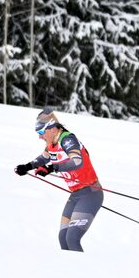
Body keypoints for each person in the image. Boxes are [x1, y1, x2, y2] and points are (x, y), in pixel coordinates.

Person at [14, 107, 103, 252]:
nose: (40, 137)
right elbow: (43, 158)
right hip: (75, 195)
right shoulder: (51, 144)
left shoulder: (67, 140)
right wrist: (27, 166)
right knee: (63, 239)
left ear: (53, 128)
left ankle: (83, 273)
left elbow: (77, 161)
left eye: (42, 132)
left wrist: (52, 168)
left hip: (91, 193)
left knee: (72, 238)